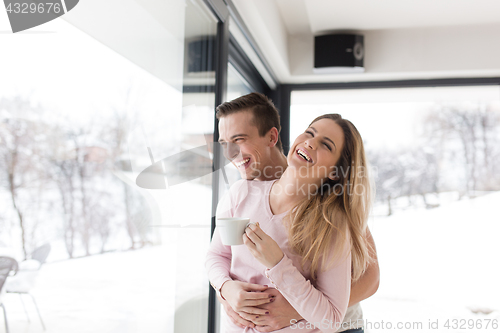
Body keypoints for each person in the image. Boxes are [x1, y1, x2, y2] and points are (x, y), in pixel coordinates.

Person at [207, 94, 378, 332]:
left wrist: (293, 309)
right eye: (225, 143)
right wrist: (227, 292)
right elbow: (223, 256)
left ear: (272, 137)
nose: (230, 153)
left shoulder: (329, 206)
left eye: (239, 139)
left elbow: (370, 278)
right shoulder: (243, 192)